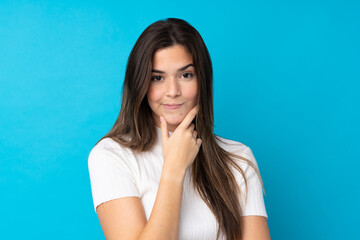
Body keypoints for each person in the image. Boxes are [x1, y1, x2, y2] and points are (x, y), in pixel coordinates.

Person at [88, 18, 270, 240]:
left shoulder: (238, 158)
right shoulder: (112, 156)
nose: (172, 91)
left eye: (186, 75)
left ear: (202, 79)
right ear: (140, 85)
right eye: (157, 78)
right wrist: (173, 170)